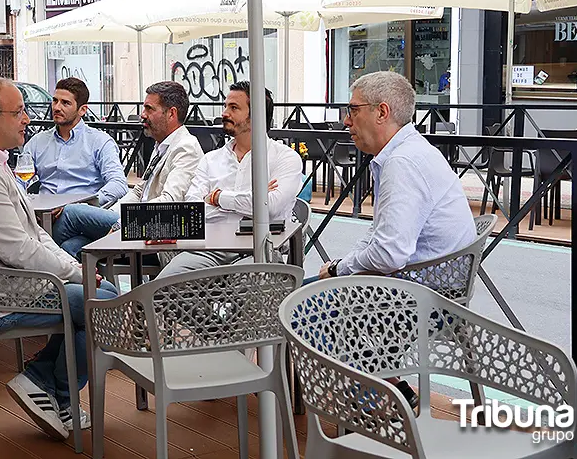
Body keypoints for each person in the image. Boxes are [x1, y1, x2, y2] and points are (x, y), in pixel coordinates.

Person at [0, 77, 119, 440]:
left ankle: (43, 381)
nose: (28, 118)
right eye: (19, 112)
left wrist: (74, 270)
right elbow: (20, 249)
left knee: (101, 293)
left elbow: (32, 233)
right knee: (101, 303)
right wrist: (77, 273)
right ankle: (53, 389)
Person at [315, 71, 476, 409]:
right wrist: (343, 266)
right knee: (312, 289)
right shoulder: (409, 152)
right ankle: (387, 387)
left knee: (304, 310)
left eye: (353, 109)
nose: (346, 120)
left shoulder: (402, 162)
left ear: (381, 112)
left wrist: (341, 269)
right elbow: (381, 239)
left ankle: (378, 411)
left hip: (425, 299)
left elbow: (388, 254)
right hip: (438, 287)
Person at [156, 81, 304, 279]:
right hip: (208, 250)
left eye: (234, 108)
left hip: (259, 250)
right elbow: (192, 209)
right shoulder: (211, 159)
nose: (225, 113)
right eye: (225, 106)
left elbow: (270, 207)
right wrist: (253, 198)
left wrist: (217, 198)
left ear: (256, 117)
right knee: (162, 288)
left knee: (247, 287)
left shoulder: (285, 158)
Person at [51, 81, 204, 258]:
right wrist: (112, 215)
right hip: (138, 223)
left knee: (71, 212)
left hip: (160, 232)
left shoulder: (186, 148)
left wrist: (123, 221)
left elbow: (169, 201)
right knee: (72, 246)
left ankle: (47, 277)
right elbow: (140, 191)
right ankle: (88, 284)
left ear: (171, 113)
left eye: (149, 109)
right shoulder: (162, 144)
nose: (142, 115)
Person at [22, 77, 128, 209]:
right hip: (42, 213)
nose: (57, 107)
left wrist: (85, 204)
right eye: (55, 101)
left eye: (65, 103)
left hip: (81, 214)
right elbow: (19, 180)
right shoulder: (37, 142)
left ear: (82, 110)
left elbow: (118, 184)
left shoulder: (99, 141)